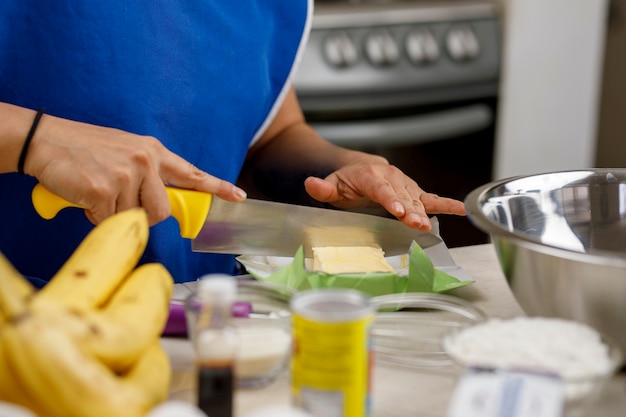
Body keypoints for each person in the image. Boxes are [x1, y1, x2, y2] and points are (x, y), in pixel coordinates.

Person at [0, 1, 466, 287]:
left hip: (199, 314)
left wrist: (344, 170)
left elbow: (272, 134)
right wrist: (36, 140)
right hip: (27, 317)